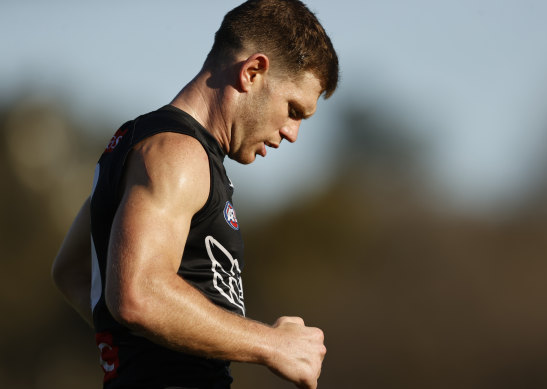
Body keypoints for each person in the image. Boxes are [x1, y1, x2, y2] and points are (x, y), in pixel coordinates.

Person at [51, 0, 339, 388]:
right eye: (293, 109)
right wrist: (273, 344)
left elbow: (74, 271)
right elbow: (137, 295)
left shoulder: (146, 145)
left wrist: (145, 345)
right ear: (253, 72)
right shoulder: (178, 154)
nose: (292, 132)